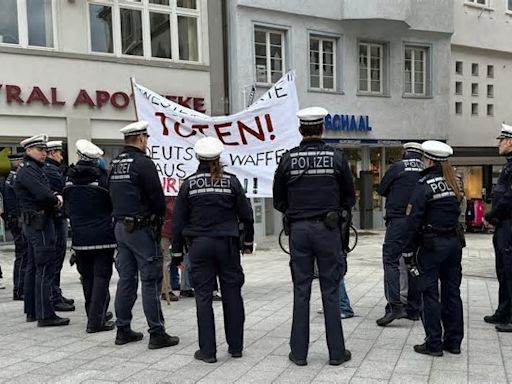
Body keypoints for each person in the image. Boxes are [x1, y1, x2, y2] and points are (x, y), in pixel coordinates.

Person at [273, 107, 355, 366]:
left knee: (301, 291)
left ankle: (298, 354)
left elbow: (278, 200)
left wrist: (297, 213)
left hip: (298, 231)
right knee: (330, 290)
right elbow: (349, 198)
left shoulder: (288, 159)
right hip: (328, 230)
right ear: (322, 129)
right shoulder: (336, 158)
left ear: (301, 130)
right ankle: (336, 353)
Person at [172, 136, 254, 363]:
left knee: (203, 297)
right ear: (218, 157)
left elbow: (178, 221)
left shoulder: (188, 184)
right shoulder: (232, 181)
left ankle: (207, 352)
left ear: (197, 158)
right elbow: (246, 215)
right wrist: (247, 243)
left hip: (198, 246)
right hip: (227, 245)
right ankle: (235, 347)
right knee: (232, 295)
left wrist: (176, 253)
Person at [109, 121, 179, 349]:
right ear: (140, 139)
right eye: (146, 138)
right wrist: (159, 220)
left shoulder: (116, 163)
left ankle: (123, 329)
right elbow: (157, 198)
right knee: (150, 280)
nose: (147, 142)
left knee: (126, 280)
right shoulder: (143, 163)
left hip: (120, 227)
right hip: (141, 229)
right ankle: (157, 332)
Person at [402, 140, 464, 356]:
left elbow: (413, 221)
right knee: (452, 293)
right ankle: (454, 342)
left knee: (429, 293)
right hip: (454, 245)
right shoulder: (454, 183)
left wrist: (408, 252)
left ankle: (434, 343)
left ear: (428, 160)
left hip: (431, 247)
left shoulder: (424, 185)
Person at [14, 134, 70, 327]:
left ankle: (32, 310)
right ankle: (45, 314)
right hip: (40, 223)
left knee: (34, 267)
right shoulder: (29, 170)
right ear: (29, 150)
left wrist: (51, 195)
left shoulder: (32, 169)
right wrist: (56, 200)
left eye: (46, 150)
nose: (45, 154)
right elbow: (42, 194)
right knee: (44, 268)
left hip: (35, 223)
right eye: (41, 150)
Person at [64, 140, 116, 333]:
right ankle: (96, 321)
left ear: (79, 156)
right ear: (97, 159)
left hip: (79, 238)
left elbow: (67, 207)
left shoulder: (68, 179)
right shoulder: (104, 179)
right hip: (103, 237)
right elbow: (113, 204)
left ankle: (93, 314)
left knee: (86, 278)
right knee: (102, 278)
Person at [376, 142, 424, 326]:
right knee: (413, 261)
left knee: (391, 261)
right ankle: (413, 308)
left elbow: (382, 190)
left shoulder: (397, 167)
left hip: (398, 221)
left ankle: (394, 306)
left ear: (405, 153)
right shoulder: (426, 170)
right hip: (418, 222)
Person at [483, 123, 512, 332]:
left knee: (510, 270)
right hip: (503, 224)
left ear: (510, 142)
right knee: (502, 270)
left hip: (509, 225)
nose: (499, 144)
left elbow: (509, 198)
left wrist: (491, 216)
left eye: (501, 140)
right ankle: (503, 311)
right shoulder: (509, 165)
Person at [43, 140, 75, 312]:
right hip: (57, 219)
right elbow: (64, 191)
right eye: (59, 152)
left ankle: (56, 293)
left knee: (56, 260)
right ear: (52, 153)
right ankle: (54, 296)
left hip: (56, 219)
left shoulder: (50, 169)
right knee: (56, 259)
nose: (61, 156)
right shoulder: (52, 171)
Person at [2, 153, 28, 300]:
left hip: (15, 220)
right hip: (18, 221)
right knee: (23, 255)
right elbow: (16, 205)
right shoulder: (14, 180)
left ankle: (20, 288)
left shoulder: (10, 179)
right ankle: (20, 289)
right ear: (17, 163)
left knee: (22, 255)